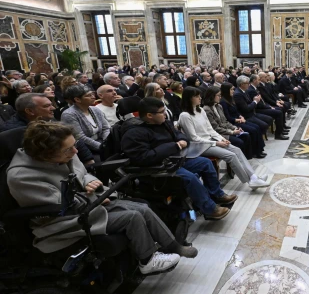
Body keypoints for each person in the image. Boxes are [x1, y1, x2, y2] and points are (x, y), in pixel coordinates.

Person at [7, 121, 196, 275]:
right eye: (69, 150)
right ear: (46, 153)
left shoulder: (63, 153)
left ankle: (172, 245)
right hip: (63, 221)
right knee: (132, 216)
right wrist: (91, 197)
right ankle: (147, 261)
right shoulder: (21, 176)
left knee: (143, 208)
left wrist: (91, 183)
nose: (75, 152)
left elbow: (83, 173)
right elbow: (60, 204)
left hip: (89, 203)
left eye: (74, 146)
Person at [120, 97, 235, 220]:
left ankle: (217, 194)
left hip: (174, 160)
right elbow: (143, 158)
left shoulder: (163, 123)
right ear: (149, 115)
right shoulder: (134, 133)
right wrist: (175, 145)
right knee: (190, 178)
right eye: (162, 112)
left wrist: (181, 141)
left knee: (206, 163)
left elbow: (179, 135)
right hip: (157, 168)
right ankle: (209, 209)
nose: (165, 114)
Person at [178, 87, 269, 189]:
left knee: (237, 150)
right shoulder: (185, 116)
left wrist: (221, 138)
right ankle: (250, 181)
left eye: (199, 95)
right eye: (196, 96)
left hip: (211, 140)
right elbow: (194, 138)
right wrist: (216, 143)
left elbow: (210, 129)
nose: (200, 98)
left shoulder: (201, 110)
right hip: (200, 146)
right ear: (189, 98)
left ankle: (254, 177)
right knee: (230, 155)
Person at [202, 86, 256, 160]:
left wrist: (235, 128)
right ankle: (238, 162)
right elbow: (215, 128)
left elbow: (225, 121)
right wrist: (232, 132)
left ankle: (246, 159)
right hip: (218, 134)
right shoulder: (207, 109)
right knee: (239, 142)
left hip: (225, 130)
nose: (220, 97)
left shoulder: (219, 106)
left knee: (246, 136)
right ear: (212, 96)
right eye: (218, 95)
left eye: (220, 95)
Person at [220, 82, 266, 158]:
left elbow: (237, 111)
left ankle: (259, 150)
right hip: (233, 123)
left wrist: (241, 116)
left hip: (239, 120)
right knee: (253, 130)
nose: (233, 91)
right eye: (231, 89)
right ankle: (255, 152)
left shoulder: (230, 99)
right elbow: (227, 117)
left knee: (256, 127)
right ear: (226, 91)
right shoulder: (223, 102)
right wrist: (238, 120)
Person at [61, 85, 110, 156]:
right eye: (88, 95)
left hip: (103, 144)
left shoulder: (95, 109)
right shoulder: (69, 114)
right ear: (77, 99)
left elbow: (106, 128)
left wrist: (108, 143)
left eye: (92, 94)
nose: (93, 97)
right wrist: (103, 147)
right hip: (85, 151)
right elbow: (79, 137)